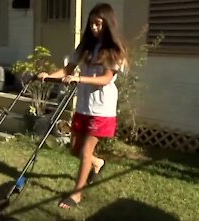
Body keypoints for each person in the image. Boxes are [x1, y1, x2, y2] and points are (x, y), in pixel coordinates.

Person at [38, 3, 127, 209]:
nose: (95, 28)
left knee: (86, 151)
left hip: (102, 109)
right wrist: (48, 76)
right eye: (92, 24)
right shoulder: (85, 47)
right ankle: (98, 164)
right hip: (84, 106)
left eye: (99, 24)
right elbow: (67, 69)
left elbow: (106, 78)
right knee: (74, 149)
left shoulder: (113, 50)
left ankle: (76, 194)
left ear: (108, 25)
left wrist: (80, 79)